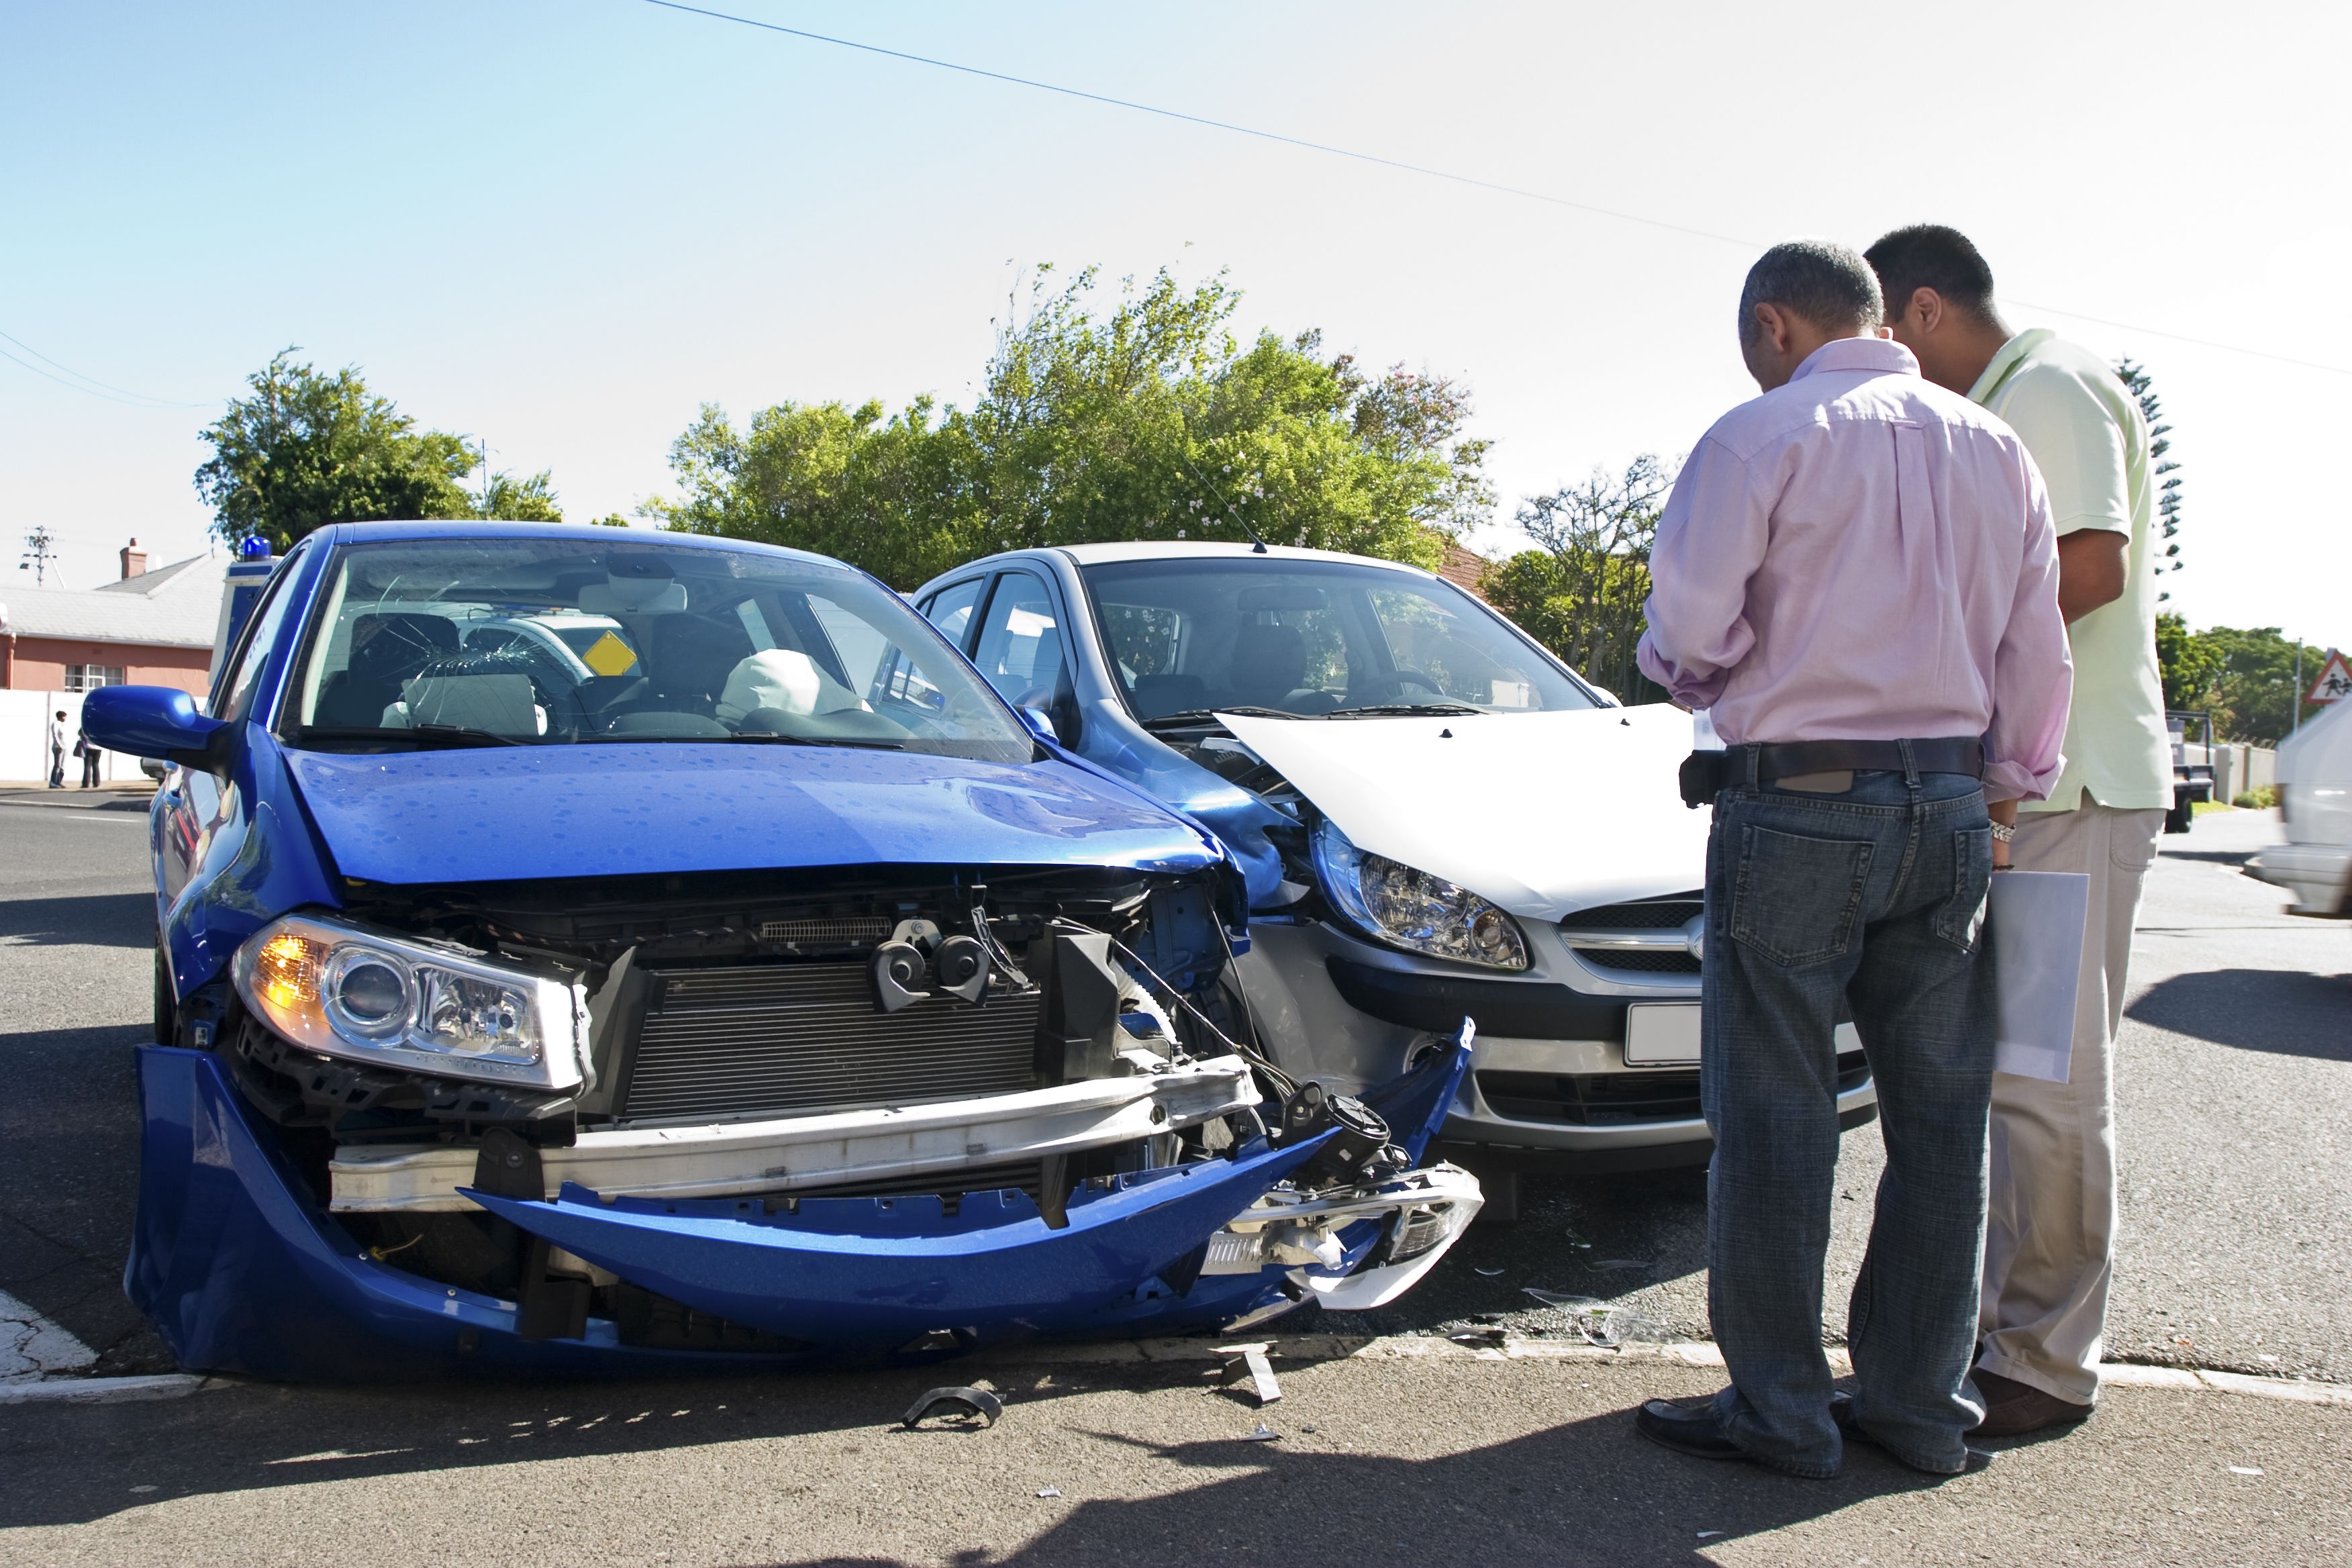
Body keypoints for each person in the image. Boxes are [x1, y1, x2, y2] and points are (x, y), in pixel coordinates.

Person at [1632, 240, 2071, 1478]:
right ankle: (1916, 1410)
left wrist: (1686, 670)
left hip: (1796, 808)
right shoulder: (1992, 448)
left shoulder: (1758, 438)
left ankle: (1778, 1413)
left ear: (1774, 327)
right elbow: (2035, 656)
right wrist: (1998, 792)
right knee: (1938, 1123)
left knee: (1775, 1120)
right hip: (1945, 812)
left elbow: (1689, 633)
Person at [1867, 224, 2174, 1438]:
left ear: (1925, 311)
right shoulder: (1999, 399)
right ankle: (2003, 1336)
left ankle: (2042, 1366)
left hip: (2074, 791)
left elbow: (2086, 567)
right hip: (2029, 794)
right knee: (2014, 1081)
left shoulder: (2040, 387)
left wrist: (1923, 644)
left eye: (1882, 334)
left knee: (2045, 1086)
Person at [45, 708, 69, 789]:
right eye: (64, 717)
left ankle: (59, 781)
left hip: (64, 747)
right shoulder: (56, 724)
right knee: (57, 765)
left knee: (63, 766)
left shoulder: (63, 725)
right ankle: (53, 782)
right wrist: (59, 745)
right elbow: (55, 735)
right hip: (58, 747)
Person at [76, 722, 102, 788]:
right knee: (96, 765)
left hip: (89, 747)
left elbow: (79, 733)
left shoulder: (86, 726)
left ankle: (86, 783)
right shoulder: (100, 727)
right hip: (98, 748)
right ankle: (97, 783)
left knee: (87, 766)